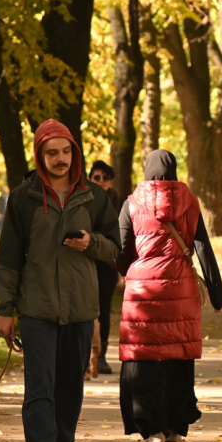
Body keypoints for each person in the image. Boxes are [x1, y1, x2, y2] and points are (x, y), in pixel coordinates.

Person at [0, 119, 120, 442]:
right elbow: (8, 259)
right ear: (39, 154)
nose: (60, 159)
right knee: (39, 389)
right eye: (52, 153)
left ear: (74, 153)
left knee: (69, 387)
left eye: (66, 152)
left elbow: (115, 247)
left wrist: (91, 243)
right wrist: (5, 308)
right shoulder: (23, 198)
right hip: (37, 309)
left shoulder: (95, 197)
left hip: (81, 308)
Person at [116, 149, 222, 442]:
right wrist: (217, 295)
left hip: (143, 292)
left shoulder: (132, 203)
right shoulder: (190, 202)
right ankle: (176, 427)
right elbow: (203, 247)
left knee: (145, 358)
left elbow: (123, 248)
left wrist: (131, 271)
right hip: (181, 290)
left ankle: (153, 432)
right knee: (178, 358)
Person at [88, 160, 125, 374]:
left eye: (105, 178)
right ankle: (84, 357)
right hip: (85, 264)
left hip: (108, 266)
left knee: (103, 310)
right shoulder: (82, 198)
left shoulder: (119, 202)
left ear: (110, 181)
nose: (101, 181)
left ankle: (101, 356)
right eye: (96, 177)